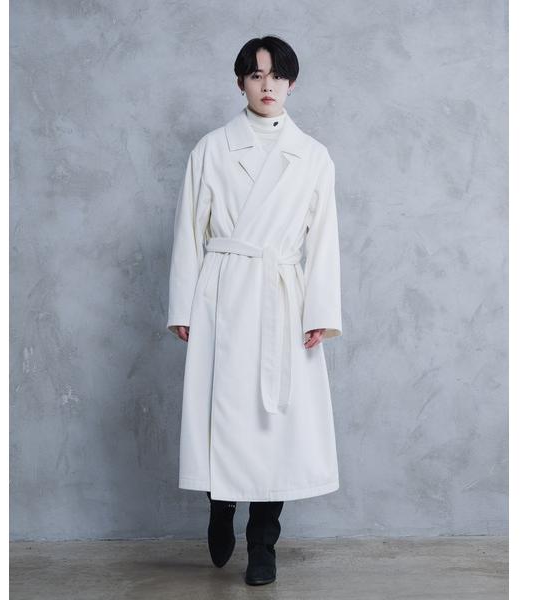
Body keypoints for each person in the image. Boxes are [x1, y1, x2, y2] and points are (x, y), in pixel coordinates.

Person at [166, 35, 343, 586]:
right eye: (256, 75)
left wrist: (320, 311)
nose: (268, 85)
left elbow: (323, 239)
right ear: (240, 82)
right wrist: (183, 305)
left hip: (282, 297)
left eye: (277, 75)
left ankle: (263, 541)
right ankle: (220, 507)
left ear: (292, 83)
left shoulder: (312, 155)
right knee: (224, 412)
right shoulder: (211, 149)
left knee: (275, 423)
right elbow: (189, 230)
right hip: (223, 295)